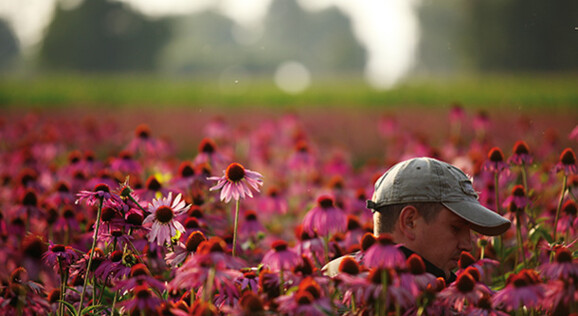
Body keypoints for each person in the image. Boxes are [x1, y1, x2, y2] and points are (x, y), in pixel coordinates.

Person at [322, 157, 511, 283]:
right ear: (410, 222)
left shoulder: (329, 280)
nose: (467, 245)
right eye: (456, 228)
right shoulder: (350, 289)